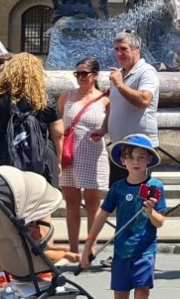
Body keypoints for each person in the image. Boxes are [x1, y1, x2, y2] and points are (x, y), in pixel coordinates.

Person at [81, 134, 167, 299]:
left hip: (144, 251)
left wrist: (150, 212)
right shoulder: (117, 188)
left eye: (141, 157)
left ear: (149, 160)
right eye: (131, 157)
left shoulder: (155, 186)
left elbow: (160, 222)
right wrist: (89, 242)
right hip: (121, 251)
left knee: (142, 291)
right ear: (122, 161)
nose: (136, 162)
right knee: (120, 294)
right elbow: (102, 214)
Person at [0, 53, 62, 183]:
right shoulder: (47, 100)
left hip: (2, 155)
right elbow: (58, 134)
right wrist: (58, 160)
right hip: (40, 157)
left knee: (2, 198)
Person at [92, 32, 160, 184]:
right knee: (120, 194)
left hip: (140, 147)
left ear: (137, 49)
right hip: (120, 148)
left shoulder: (146, 72)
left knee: (138, 197)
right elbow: (114, 106)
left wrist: (120, 85)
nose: (119, 53)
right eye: (116, 49)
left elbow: (144, 100)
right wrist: (103, 129)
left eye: (123, 49)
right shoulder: (119, 74)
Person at [58, 57, 110, 253]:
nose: (80, 77)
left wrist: (103, 131)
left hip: (93, 152)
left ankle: (90, 247)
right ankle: (73, 249)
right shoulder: (67, 96)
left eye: (84, 74)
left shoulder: (105, 99)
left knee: (92, 203)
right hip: (69, 153)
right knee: (71, 202)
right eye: (77, 74)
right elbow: (58, 125)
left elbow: (108, 126)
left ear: (95, 75)